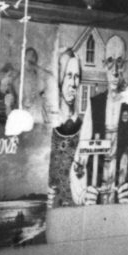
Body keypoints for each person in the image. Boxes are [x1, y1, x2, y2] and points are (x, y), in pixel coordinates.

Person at [72, 34, 128, 205]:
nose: (115, 70)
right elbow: (82, 152)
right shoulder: (95, 105)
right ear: (103, 64)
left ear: (125, 65)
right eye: (110, 61)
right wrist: (82, 193)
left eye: (120, 62)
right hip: (97, 186)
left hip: (120, 189)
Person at [48, 49, 84, 207]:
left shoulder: (83, 126)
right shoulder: (48, 122)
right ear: (60, 78)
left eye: (77, 77)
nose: (74, 84)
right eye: (69, 76)